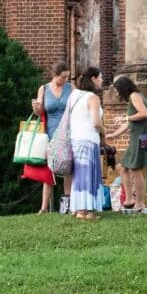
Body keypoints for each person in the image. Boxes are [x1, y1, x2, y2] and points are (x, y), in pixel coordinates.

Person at [107, 76, 147, 215]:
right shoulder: (134, 97)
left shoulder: (135, 95)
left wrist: (126, 117)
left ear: (124, 88)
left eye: (117, 90)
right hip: (137, 138)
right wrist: (114, 135)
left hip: (141, 139)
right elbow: (130, 123)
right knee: (122, 167)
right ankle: (129, 199)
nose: (117, 93)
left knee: (136, 170)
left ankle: (140, 203)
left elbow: (144, 114)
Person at [29, 60, 73, 214]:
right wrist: (36, 108)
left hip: (68, 132)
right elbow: (40, 112)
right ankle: (44, 207)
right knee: (49, 169)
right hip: (50, 133)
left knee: (68, 169)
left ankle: (67, 205)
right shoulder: (44, 89)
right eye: (63, 77)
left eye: (67, 77)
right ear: (55, 75)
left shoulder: (71, 88)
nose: (65, 80)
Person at [67, 66, 104, 219]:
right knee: (88, 174)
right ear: (94, 79)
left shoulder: (74, 95)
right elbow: (95, 122)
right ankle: (86, 211)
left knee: (79, 175)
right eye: (100, 77)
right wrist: (104, 130)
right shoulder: (93, 98)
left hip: (75, 139)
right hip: (88, 139)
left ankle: (78, 209)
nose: (102, 80)